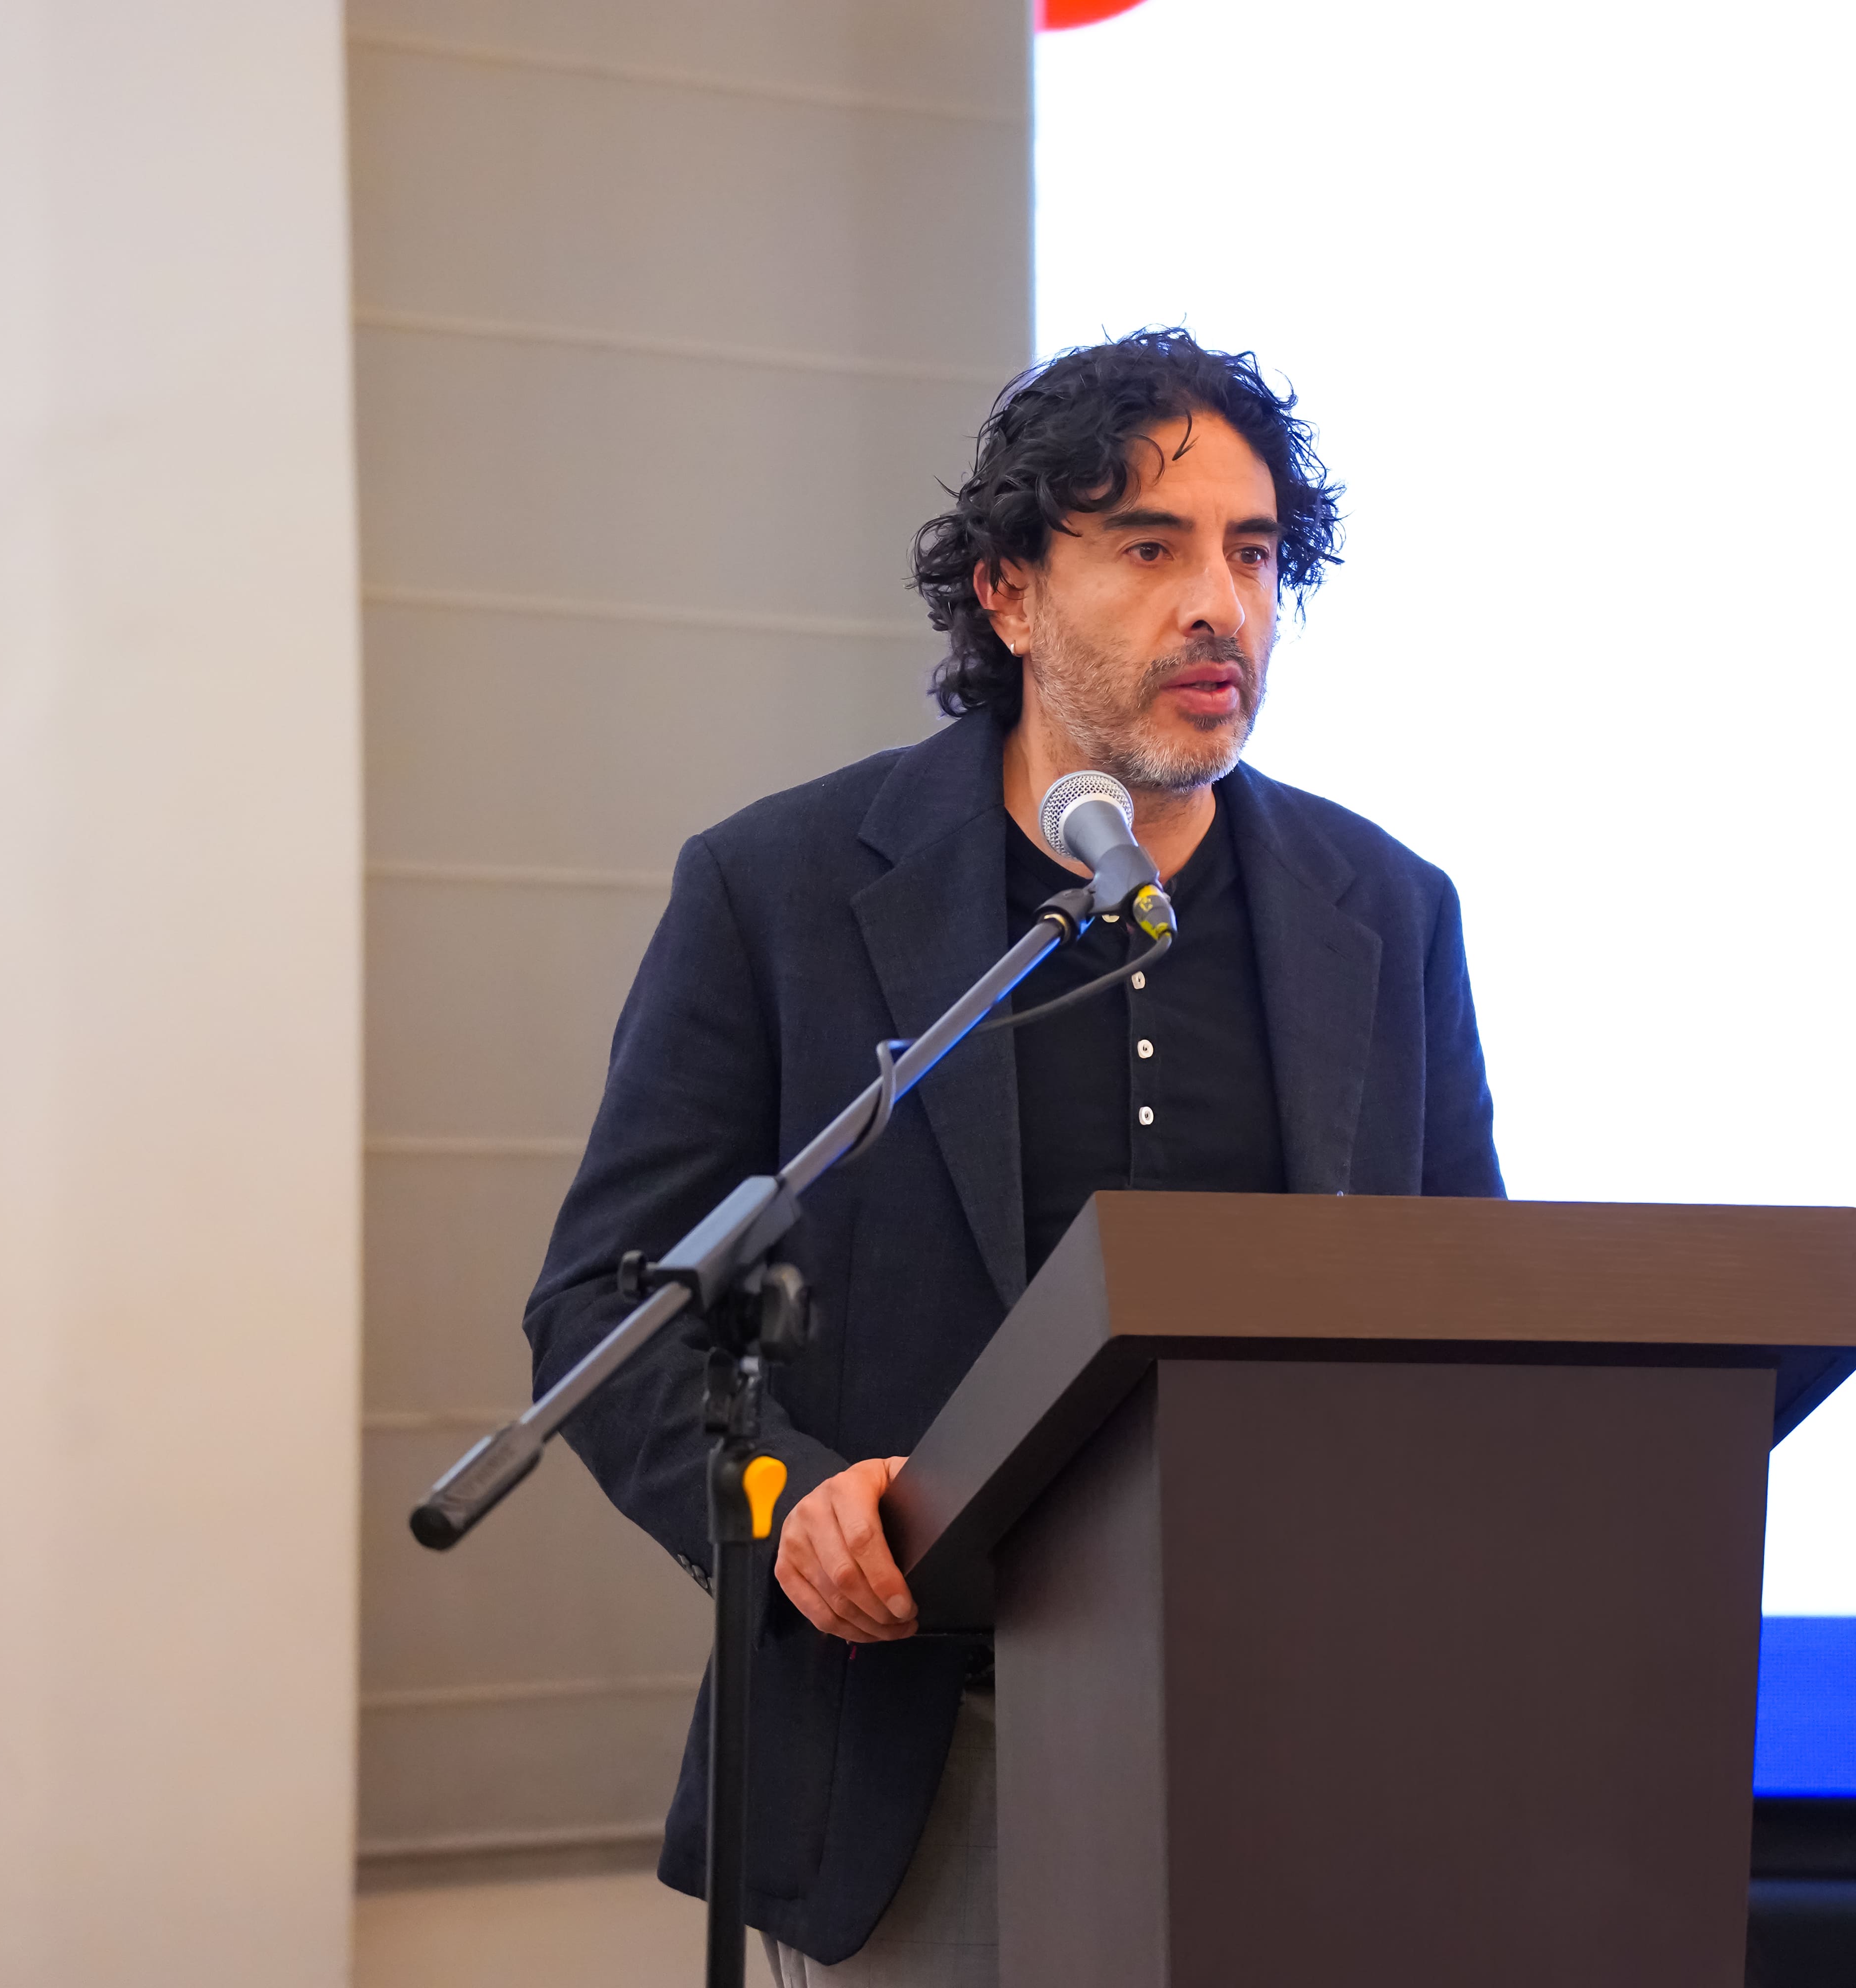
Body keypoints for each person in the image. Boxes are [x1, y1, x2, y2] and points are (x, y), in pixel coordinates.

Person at [522, 328, 1502, 1982]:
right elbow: (605, 1316)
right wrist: (784, 1497)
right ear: (1009, 596)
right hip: (922, 1752)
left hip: (1294, 1746)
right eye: (1149, 547)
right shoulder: (782, 892)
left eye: (1255, 555)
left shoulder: (1384, 912)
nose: (1223, 606)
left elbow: (1475, 1322)